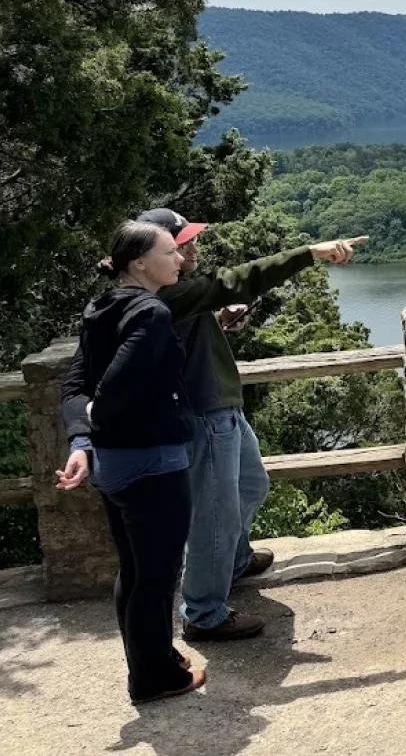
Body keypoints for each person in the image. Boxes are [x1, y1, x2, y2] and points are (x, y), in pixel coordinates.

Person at [133, 208, 366, 642]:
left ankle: (234, 561)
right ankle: (203, 612)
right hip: (205, 416)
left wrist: (219, 322)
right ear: (152, 252)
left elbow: (184, 340)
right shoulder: (166, 295)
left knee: (251, 487)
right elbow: (238, 280)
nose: (192, 249)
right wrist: (309, 253)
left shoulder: (175, 294)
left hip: (223, 409)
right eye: (181, 244)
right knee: (215, 515)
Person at [56, 221, 204, 704]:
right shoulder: (152, 313)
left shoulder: (101, 306)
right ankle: (155, 678)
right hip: (152, 460)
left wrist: (82, 441)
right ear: (140, 262)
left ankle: (157, 658)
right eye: (170, 251)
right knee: (158, 577)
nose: (180, 259)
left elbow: (75, 381)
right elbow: (117, 380)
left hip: (111, 466)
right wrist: (102, 410)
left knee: (136, 572)